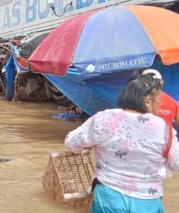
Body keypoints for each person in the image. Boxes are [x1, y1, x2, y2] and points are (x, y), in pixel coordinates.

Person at [65, 75, 179, 212]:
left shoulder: (104, 118)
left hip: (109, 197)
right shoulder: (164, 129)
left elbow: (72, 142)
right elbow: (176, 163)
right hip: (148, 201)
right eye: (157, 101)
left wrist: (88, 145)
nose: (159, 105)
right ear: (148, 101)